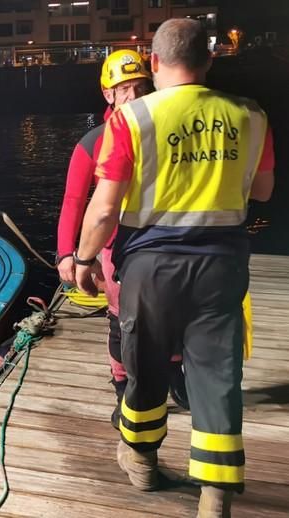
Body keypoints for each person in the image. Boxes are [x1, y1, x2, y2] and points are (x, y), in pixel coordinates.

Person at [74, 19, 274, 517]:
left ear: (155, 62)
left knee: (144, 367)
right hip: (222, 264)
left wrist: (81, 259)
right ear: (208, 62)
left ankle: (141, 462)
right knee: (216, 375)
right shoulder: (250, 114)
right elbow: (264, 191)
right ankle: (216, 494)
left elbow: (102, 209)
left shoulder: (131, 119)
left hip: (150, 265)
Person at [56, 49, 188, 430]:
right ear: (107, 93)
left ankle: (176, 373)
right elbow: (73, 200)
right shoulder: (93, 143)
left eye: (139, 88)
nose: (132, 96)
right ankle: (123, 387)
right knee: (121, 325)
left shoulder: (170, 132)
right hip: (117, 251)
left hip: (167, 243)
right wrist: (69, 253)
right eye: (123, 89)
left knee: (173, 317)